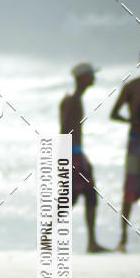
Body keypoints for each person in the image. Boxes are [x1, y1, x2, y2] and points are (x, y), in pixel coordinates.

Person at [59, 63, 107, 253]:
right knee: (78, 197)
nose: (93, 78)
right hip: (72, 153)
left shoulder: (75, 99)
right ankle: (90, 243)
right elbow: (64, 129)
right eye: (90, 75)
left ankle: (91, 242)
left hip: (75, 153)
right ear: (81, 78)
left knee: (82, 196)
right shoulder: (72, 100)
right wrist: (70, 158)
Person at [110, 50, 140, 251]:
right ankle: (123, 238)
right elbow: (114, 113)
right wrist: (132, 120)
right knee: (130, 190)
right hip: (136, 140)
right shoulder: (132, 87)